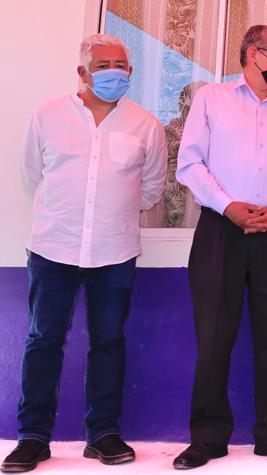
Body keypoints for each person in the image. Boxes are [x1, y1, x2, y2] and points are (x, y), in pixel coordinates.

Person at [2, 35, 166, 473]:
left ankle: (103, 434)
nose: (114, 72)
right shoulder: (48, 116)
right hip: (53, 247)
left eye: (121, 65)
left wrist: (111, 214)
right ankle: (32, 438)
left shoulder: (146, 126)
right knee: (43, 340)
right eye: (103, 64)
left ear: (131, 72)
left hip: (115, 251)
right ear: (82, 72)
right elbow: (32, 176)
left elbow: (151, 189)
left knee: (108, 341)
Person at [172, 25, 267, 470]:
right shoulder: (211, 99)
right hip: (221, 229)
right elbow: (189, 163)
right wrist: (227, 206)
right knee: (213, 335)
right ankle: (207, 437)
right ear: (254, 54)